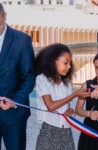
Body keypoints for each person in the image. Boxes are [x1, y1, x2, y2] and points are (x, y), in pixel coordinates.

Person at [34, 43, 90, 150]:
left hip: (67, 132)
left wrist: (70, 111)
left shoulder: (67, 83)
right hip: (49, 131)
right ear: (53, 60)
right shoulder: (42, 79)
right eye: (66, 63)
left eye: (70, 63)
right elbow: (51, 106)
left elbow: (65, 107)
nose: (69, 66)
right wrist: (74, 95)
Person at [0, 3, 35, 150]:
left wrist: (14, 101)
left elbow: (29, 77)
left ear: (5, 16)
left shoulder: (22, 40)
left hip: (14, 115)